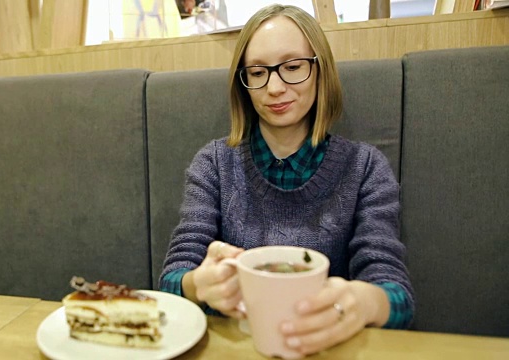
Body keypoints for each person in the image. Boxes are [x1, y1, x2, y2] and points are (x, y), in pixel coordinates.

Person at [159, 3, 414, 356]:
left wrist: (364, 301)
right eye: (258, 72)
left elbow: (397, 297)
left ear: (320, 71)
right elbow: (171, 280)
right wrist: (197, 285)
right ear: (243, 83)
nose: (275, 87)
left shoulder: (365, 168)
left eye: (293, 67)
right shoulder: (214, 164)